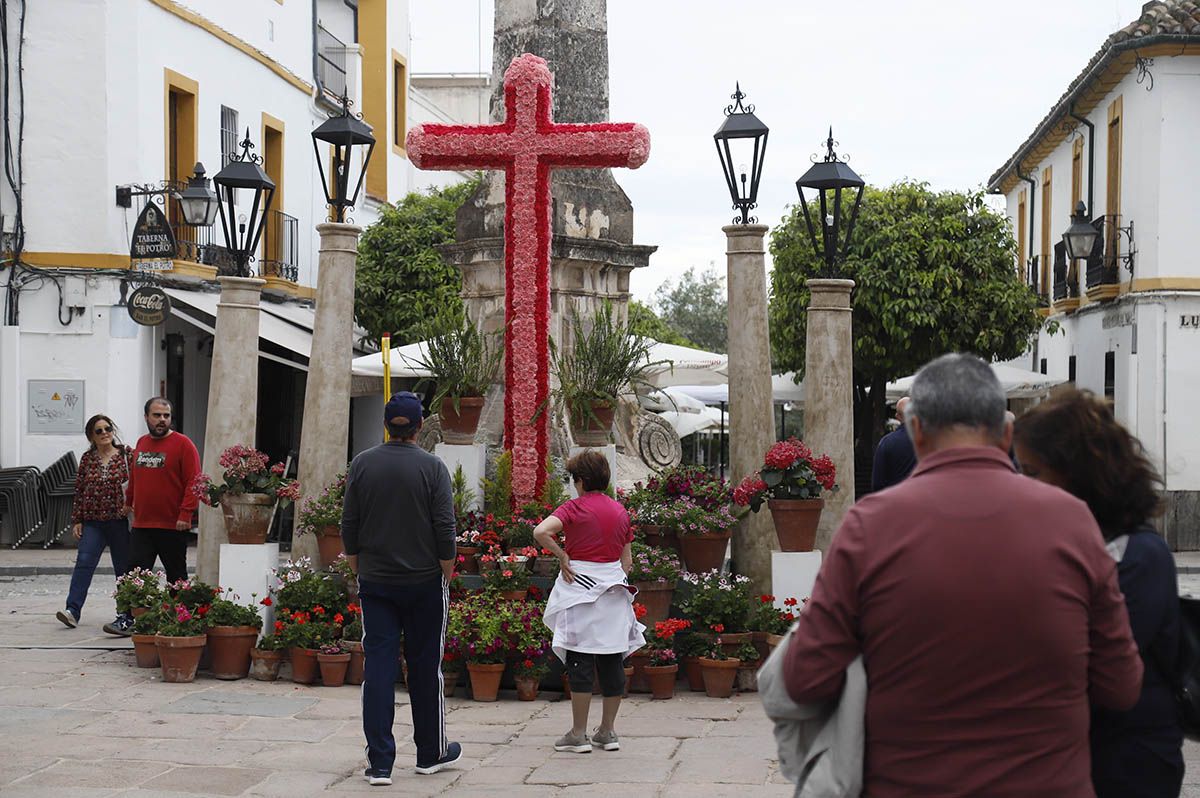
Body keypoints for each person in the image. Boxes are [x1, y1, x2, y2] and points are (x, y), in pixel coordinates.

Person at [783, 353, 1143, 798]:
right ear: (1008, 433)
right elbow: (1122, 686)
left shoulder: (868, 527)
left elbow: (804, 680)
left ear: (915, 431)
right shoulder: (1073, 523)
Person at [1014, 390, 1183, 798]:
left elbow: (1098, 667)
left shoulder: (1141, 555)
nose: (1020, 485)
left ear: (1077, 472)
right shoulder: (1067, 540)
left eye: (1033, 473)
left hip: (1127, 759)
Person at [341, 392, 461, 785]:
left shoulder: (362, 464)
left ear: (386, 425)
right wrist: (448, 572)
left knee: (378, 669)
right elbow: (445, 528)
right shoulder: (433, 468)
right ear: (419, 426)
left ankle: (380, 763)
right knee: (427, 667)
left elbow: (349, 525)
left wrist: (360, 567)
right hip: (425, 582)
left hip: (376, 581)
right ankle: (430, 752)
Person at [535, 450, 645, 755]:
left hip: (578, 588)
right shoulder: (620, 512)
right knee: (612, 660)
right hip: (613, 591)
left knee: (580, 661)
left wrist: (562, 556)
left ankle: (578, 734)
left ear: (580, 481)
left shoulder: (573, 508)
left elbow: (541, 531)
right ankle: (608, 732)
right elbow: (627, 563)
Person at [56, 414, 133, 633]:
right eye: (98, 431)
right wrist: (77, 519)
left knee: (123, 570)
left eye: (107, 428)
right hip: (93, 522)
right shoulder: (87, 458)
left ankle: (125, 615)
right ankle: (72, 610)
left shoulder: (127, 455)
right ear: (91, 436)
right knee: (84, 564)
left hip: (119, 521)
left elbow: (138, 483)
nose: (104, 433)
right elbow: (79, 490)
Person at [124, 398, 200, 599]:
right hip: (142, 524)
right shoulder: (142, 442)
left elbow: (194, 481)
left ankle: (179, 621)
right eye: (157, 415)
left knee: (176, 578)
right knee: (136, 575)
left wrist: (186, 513)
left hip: (173, 525)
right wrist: (127, 502)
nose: (162, 420)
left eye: (166, 416)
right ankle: (130, 618)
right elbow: (135, 477)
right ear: (146, 417)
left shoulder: (184, 444)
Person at [870, 396, 917, 492]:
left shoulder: (886, 443)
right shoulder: (930, 441)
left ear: (897, 416)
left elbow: (877, 483)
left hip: (894, 500)